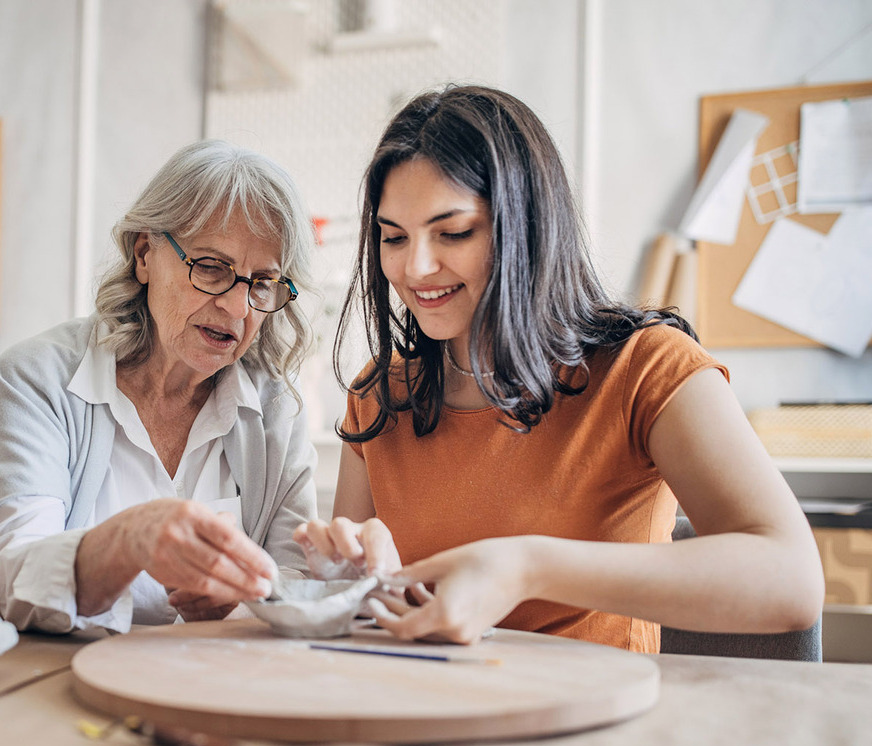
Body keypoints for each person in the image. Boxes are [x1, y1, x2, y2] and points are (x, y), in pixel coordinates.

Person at [294, 85, 824, 652]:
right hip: (431, 715)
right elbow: (362, 604)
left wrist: (527, 565)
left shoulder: (646, 368)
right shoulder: (380, 392)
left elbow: (791, 582)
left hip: (596, 721)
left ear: (527, 226)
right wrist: (345, 582)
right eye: (393, 237)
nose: (416, 267)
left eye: (454, 233)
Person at [0, 140, 317, 633]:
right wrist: (127, 541)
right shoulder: (39, 378)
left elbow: (295, 580)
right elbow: (9, 583)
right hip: (68, 682)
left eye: (261, 282)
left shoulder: (278, 407)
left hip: (219, 681)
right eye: (211, 267)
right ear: (145, 255)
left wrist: (241, 604)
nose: (238, 309)